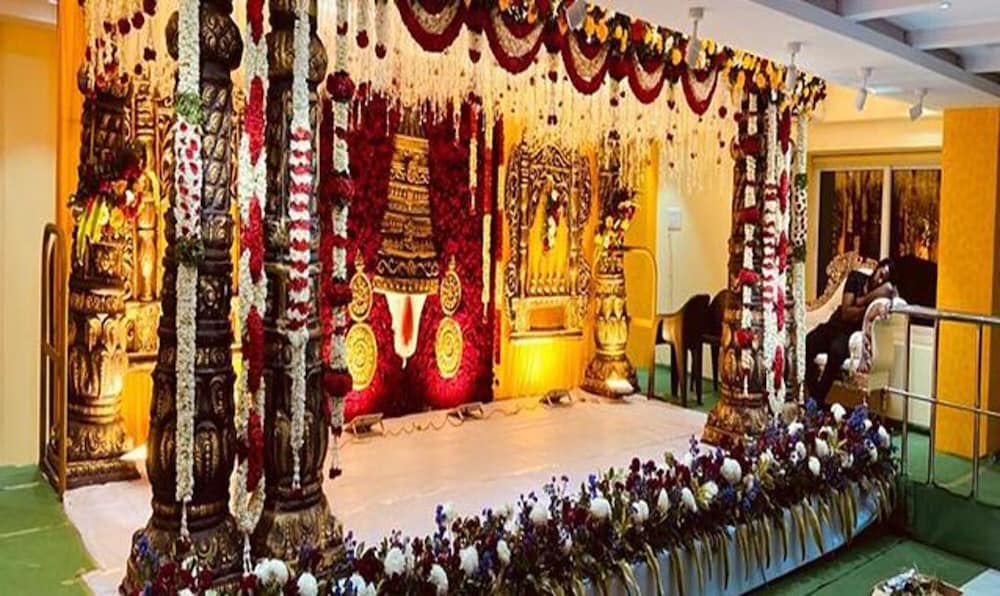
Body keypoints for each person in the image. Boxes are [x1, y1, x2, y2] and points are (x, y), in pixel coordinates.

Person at [806, 258, 896, 405]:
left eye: (883, 279)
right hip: (834, 325)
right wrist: (865, 307)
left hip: (849, 334)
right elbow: (846, 313)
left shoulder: (881, 290)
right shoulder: (856, 278)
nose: (879, 280)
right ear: (876, 268)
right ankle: (816, 397)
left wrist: (861, 301)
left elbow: (889, 289)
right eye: (880, 274)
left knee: (836, 351)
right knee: (808, 342)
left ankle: (817, 401)